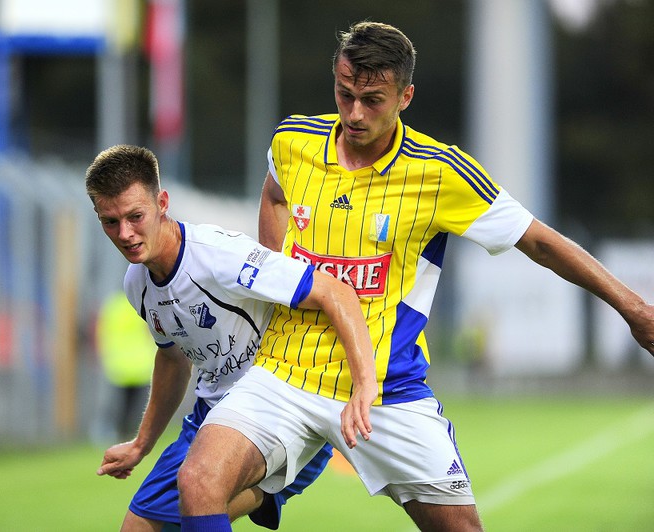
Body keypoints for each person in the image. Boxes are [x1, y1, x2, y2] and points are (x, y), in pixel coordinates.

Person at [177, 21, 654, 532]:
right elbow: (274, 194)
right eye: (344, 94)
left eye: (373, 99)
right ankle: (273, 485)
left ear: (405, 96)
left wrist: (635, 309)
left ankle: (274, 486)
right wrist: (277, 277)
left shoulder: (441, 171)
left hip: (387, 388)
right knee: (197, 482)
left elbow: (537, 239)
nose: (354, 113)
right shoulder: (294, 140)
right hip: (283, 372)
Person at [86, 144, 377, 531]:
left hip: (277, 406)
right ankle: (266, 493)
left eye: (135, 216)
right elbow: (173, 360)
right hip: (211, 414)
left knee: (200, 497)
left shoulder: (219, 256)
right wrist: (141, 444)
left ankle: (269, 487)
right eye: (110, 222)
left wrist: (363, 384)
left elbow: (333, 292)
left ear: (162, 203)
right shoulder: (137, 284)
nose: (125, 233)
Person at [94, 290, 156, 442]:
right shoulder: (140, 304)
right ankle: (132, 437)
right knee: (137, 408)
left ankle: (115, 435)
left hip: (119, 366)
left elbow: (101, 331)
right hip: (140, 364)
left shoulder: (112, 306)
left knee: (118, 406)